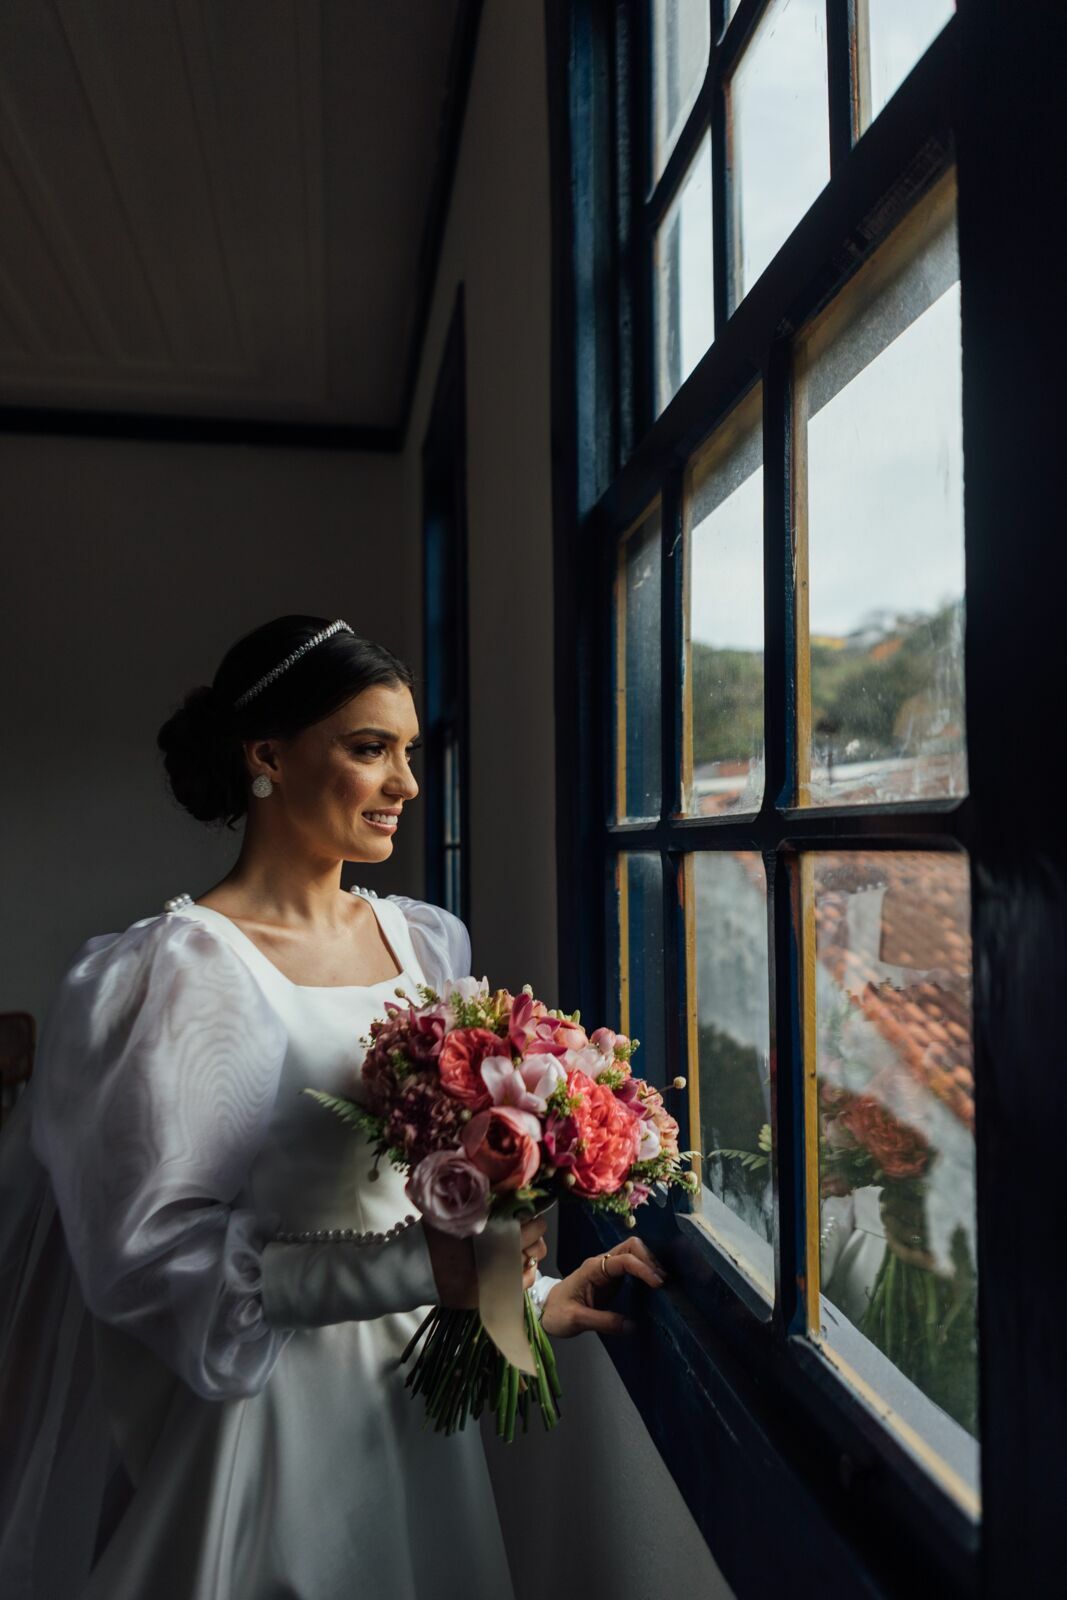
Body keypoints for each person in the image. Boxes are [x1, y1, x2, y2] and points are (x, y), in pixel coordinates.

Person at [0, 615, 666, 1600]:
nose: (403, 784)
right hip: (272, 1426)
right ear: (266, 756)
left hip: (409, 1413)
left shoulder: (425, 942)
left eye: (406, 752)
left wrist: (523, 1300)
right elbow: (159, 1258)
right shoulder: (182, 971)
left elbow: (426, 1189)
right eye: (368, 750)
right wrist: (422, 1267)